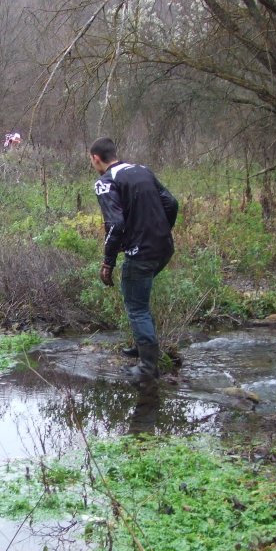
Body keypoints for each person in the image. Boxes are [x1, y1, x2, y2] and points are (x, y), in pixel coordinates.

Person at [89, 137, 179, 376]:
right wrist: (161, 231)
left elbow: (115, 225)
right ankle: (142, 347)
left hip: (141, 253)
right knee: (139, 298)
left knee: (136, 307)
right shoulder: (142, 170)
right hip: (164, 248)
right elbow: (171, 203)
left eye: (92, 160)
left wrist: (108, 261)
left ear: (96, 158)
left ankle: (148, 367)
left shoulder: (105, 182)